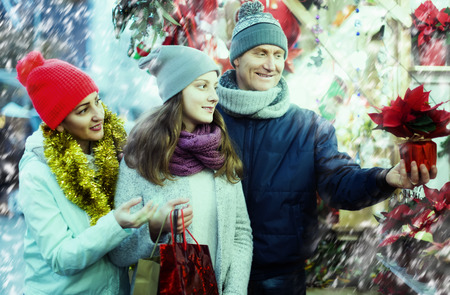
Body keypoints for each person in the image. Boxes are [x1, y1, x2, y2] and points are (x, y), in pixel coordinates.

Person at [216, 1, 438, 294]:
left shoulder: (307, 127)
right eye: (260, 53)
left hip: (280, 276)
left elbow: (340, 183)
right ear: (237, 59)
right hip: (213, 268)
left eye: (278, 55)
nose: (271, 65)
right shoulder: (209, 120)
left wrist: (385, 178)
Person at [108, 45, 253, 294]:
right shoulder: (141, 158)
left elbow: (240, 234)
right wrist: (154, 229)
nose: (214, 96)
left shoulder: (220, 152)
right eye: (202, 86)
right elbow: (118, 253)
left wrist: (233, 292)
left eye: (214, 87)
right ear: (176, 92)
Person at [16, 51, 160, 295]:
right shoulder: (36, 173)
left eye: (97, 100)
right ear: (58, 123)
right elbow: (61, 257)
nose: (98, 114)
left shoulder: (117, 149)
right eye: (83, 110)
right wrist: (114, 224)